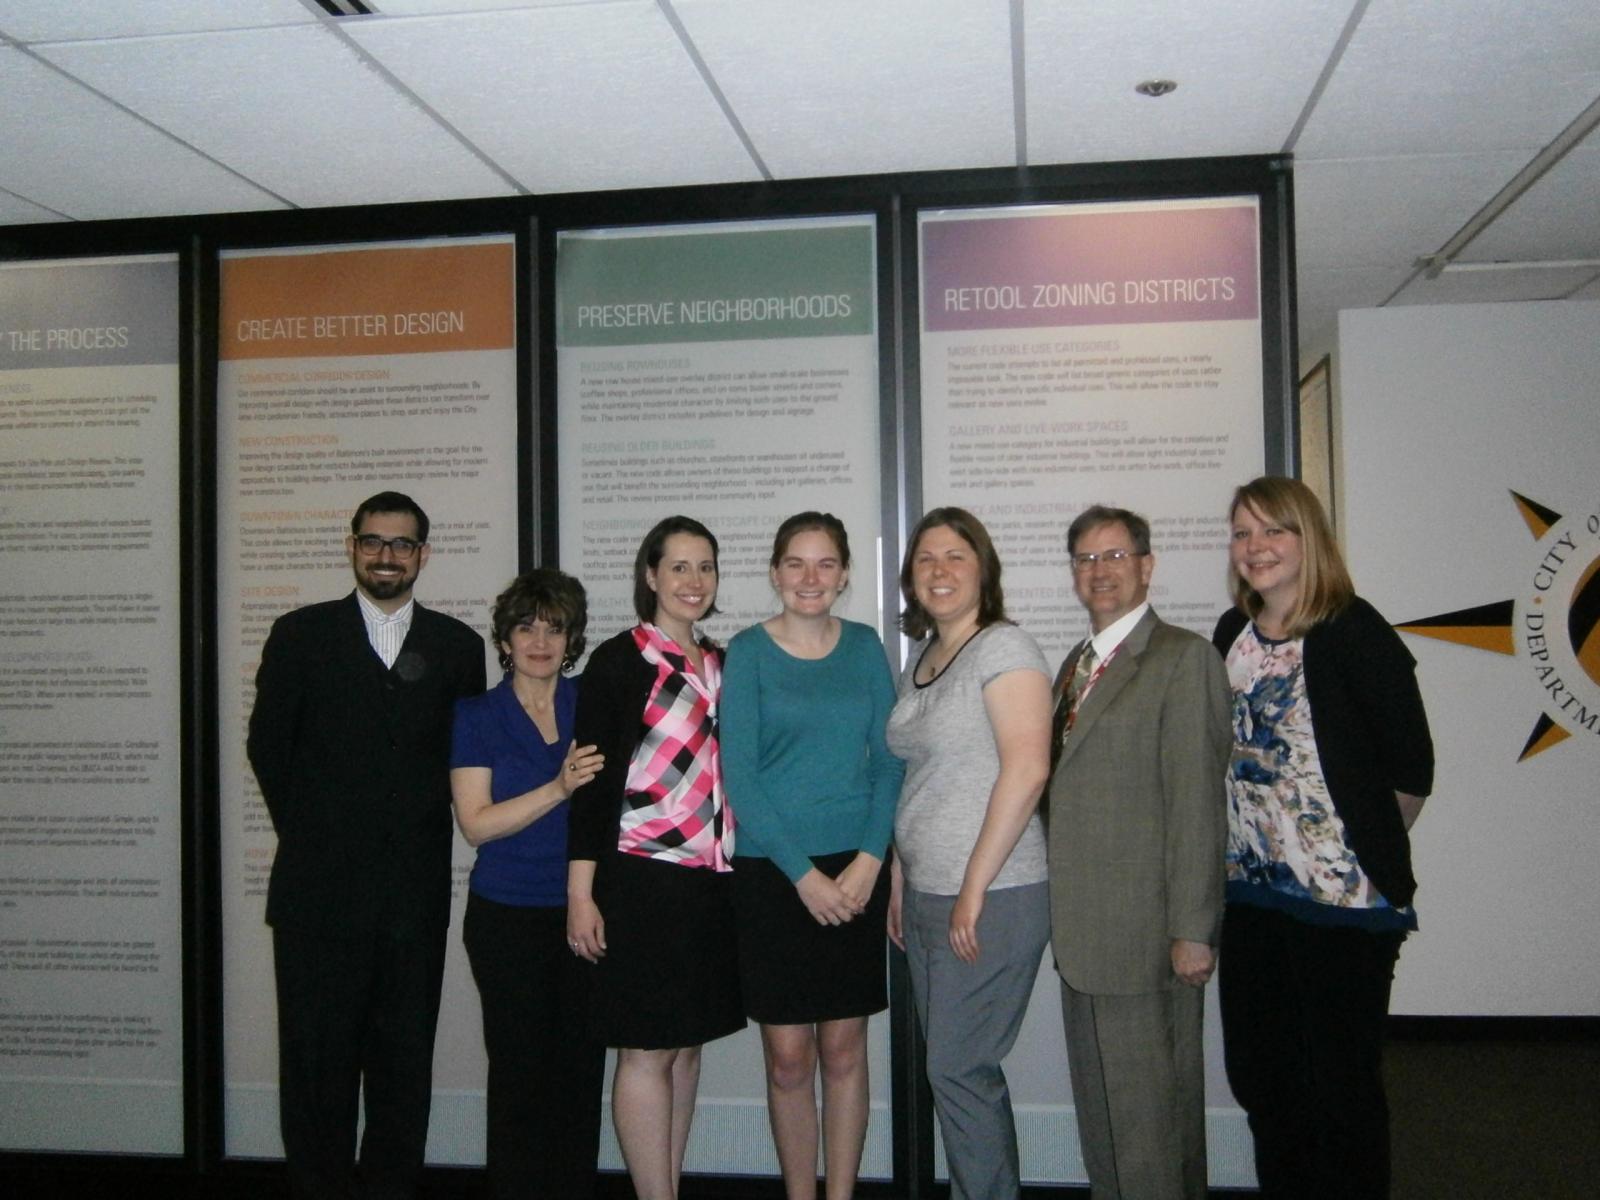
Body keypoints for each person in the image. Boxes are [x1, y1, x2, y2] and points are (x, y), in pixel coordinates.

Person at [246, 491, 486, 1199]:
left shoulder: (457, 648)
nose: (386, 556)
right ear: (351, 545)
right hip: (316, 900)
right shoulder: (298, 635)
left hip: (413, 898)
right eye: (373, 541)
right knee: (316, 1071)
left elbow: (461, 764)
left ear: (424, 555)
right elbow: (269, 749)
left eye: (402, 544)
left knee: (402, 1068)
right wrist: (323, 834)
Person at [1211, 476, 1434, 1199]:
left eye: (1274, 530)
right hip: (1250, 898)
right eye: (1244, 533)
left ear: (1310, 540)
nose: (1257, 547)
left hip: (1343, 908)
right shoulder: (1229, 635)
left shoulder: (1355, 631)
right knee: (1265, 1082)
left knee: (1341, 1088)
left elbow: (1410, 773)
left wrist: (1340, 852)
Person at [1045, 505, 1232, 1200]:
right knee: (1105, 1121)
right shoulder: (1077, 664)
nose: (1101, 571)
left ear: (1147, 566)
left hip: (1147, 937)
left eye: (1115, 556)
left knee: (1151, 1123)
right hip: (1085, 936)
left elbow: (1196, 806)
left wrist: (1192, 930)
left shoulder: (1184, 659)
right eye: (1087, 560)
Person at [720, 512, 904, 1200]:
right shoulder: (748, 651)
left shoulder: (862, 648)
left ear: (846, 574)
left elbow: (889, 762)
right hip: (775, 875)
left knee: (844, 1051)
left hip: (856, 871)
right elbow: (741, 776)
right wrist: (803, 876)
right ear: (774, 573)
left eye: (825, 564)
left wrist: (868, 859)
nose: (810, 578)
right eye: (795, 563)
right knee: (789, 1061)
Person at [566, 515, 744, 1200]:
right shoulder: (619, 662)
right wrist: (582, 893)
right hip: (639, 878)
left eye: (705, 567)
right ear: (651, 576)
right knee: (646, 1047)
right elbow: (592, 787)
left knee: (688, 1043)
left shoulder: (723, 663)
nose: (694, 581)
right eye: (679, 567)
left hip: (710, 882)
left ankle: (667, 1183)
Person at [884, 506, 1054, 1200]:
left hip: (993, 894)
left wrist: (974, 887)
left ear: (983, 568)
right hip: (927, 895)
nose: (940, 570)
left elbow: (1029, 768)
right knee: (954, 1073)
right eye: (926, 558)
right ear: (911, 579)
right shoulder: (921, 663)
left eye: (956, 555)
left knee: (958, 1070)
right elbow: (918, 780)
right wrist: (900, 877)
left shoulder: (1003, 649)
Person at [449, 569, 607, 1199]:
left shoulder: (590, 703)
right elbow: (476, 824)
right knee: (519, 1079)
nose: (540, 640)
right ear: (505, 638)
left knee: (578, 1075)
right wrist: (558, 788)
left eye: (554, 627)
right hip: (506, 917)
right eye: (526, 626)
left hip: (582, 914)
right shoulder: (477, 714)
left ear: (571, 639)